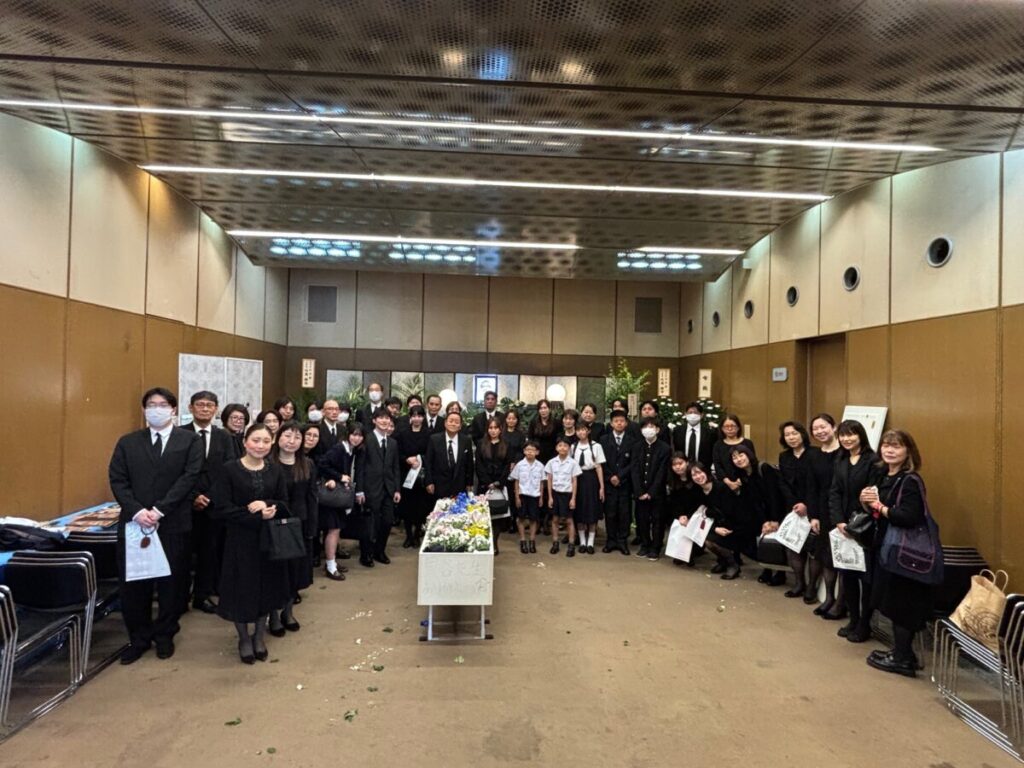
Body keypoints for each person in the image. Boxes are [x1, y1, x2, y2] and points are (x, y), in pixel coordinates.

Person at [108, 387, 203, 664]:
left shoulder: (189, 441)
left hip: (173, 522)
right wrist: (138, 511)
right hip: (135, 524)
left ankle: (165, 635)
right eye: (151, 404)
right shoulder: (128, 442)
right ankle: (138, 638)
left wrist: (160, 510)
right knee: (135, 585)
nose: (157, 409)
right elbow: (118, 480)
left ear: (173, 409)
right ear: (144, 410)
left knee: (172, 583)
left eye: (163, 404)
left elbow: (190, 477)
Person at [211, 423, 291, 665]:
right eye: (256, 440)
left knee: (265, 587)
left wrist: (268, 505)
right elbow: (221, 508)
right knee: (241, 588)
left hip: (268, 540)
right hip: (239, 540)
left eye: (266, 441)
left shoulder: (275, 470)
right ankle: (244, 638)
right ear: (245, 442)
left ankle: (258, 636)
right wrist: (254, 515)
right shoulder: (229, 470)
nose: (260, 446)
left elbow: (284, 503)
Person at [862, 430, 933, 677]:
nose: (890, 450)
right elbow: (879, 512)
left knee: (901, 605)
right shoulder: (885, 476)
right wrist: (867, 503)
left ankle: (902, 659)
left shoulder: (910, 480)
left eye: (897, 446)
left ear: (908, 451)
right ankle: (902, 652)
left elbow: (908, 516)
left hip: (904, 552)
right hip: (886, 548)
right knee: (891, 602)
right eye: (886, 445)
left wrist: (879, 507)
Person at [185, 390, 240, 614]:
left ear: (216, 410)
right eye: (200, 404)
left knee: (209, 553)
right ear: (191, 408)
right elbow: (175, 471)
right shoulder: (180, 434)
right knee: (182, 554)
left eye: (209, 405)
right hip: (184, 504)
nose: (205, 408)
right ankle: (179, 597)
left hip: (213, 505)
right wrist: (193, 496)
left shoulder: (224, 437)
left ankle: (202, 595)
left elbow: (229, 469)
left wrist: (210, 497)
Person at [829, 419, 878, 643]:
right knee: (847, 575)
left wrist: (854, 525)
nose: (846, 439)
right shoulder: (840, 459)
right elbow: (835, 492)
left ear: (861, 435)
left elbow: (872, 495)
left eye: (851, 434)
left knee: (865, 579)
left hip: (865, 527)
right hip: (844, 527)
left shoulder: (873, 461)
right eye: (843, 435)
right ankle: (853, 619)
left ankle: (864, 624)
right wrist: (839, 521)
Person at [268, 422, 316, 636]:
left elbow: (312, 497)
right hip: (274, 524)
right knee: (275, 572)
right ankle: (273, 615)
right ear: (278, 437)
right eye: (287, 436)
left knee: (294, 571)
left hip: (299, 523)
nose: (291, 441)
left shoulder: (307, 464)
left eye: (297, 437)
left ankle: (288, 612)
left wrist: (312, 526)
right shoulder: (268, 463)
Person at [777, 421, 820, 602]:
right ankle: (799, 583)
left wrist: (807, 505)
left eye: (794, 433)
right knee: (792, 546)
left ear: (802, 434)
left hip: (814, 507)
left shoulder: (816, 453)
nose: (791, 437)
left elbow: (817, 484)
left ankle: (811, 587)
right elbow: (783, 483)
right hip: (793, 509)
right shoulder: (784, 456)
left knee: (814, 548)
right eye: (787, 435)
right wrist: (795, 504)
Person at [319, 424, 366, 577]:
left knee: (336, 530)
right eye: (354, 434)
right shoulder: (339, 448)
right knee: (333, 530)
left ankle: (331, 561)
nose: (356, 438)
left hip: (339, 497)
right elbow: (322, 464)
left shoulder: (351, 450)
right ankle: (330, 566)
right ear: (347, 434)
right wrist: (338, 477)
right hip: (332, 496)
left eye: (360, 435)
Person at [809, 413, 844, 619]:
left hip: (841, 510)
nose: (820, 431)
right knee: (826, 556)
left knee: (842, 557)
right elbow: (812, 487)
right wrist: (813, 515)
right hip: (822, 509)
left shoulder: (844, 452)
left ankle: (841, 603)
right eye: (816, 429)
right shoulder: (814, 455)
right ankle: (830, 597)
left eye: (823, 427)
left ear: (834, 427)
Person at [684, 462, 741, 578]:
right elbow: (695, 510)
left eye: (699, 472)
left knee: (710, 539)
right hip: (714, 523)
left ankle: (733, 565)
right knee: (705, 538)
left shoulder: (721, 487)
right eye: (694, 475)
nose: (698, 477)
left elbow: (729, 512)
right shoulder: (697, 491)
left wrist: (707, 513)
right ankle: (723, 561)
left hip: (731, 523)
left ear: (706, 472)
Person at [361, 410, 402, 566]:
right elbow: (360, 467)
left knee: (387, 522)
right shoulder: (367, 439)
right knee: (370, 523)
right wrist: (360, 490)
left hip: (389, 489)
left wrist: (397, 489)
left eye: (387, 418)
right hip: (370, 488)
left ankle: (380, 551)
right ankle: (366, 554)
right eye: (381, 418)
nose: (385, 421)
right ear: (374, 420)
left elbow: (396, 467)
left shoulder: (392, 443)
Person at [631, 417, 671, 560]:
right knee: (642, 519)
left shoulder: (665, 448)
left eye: (651, 426)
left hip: (657, 492)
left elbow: (662, 472)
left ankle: (656, 547)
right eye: (645, 427)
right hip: (640, 491)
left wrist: (651, 492)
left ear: (657, 430)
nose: (648, 429)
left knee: (657, 520)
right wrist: (639, 491)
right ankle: (645, 544)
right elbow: (634, 469)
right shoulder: (636, 446)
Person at [396, 405, 431, 548]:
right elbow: (397, 453)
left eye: (419, 416)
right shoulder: (402, 434)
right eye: (414, 416)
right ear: (410, 417)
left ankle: (417, 535)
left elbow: (431, 454)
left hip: (422, 476)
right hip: (406, 475)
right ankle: (408, 535)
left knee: (421, 507)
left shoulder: (429, 434)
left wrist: (420, 459)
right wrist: (407, 459)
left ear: (423, 417)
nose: (417, 419)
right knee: (407, 507)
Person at [599, 409, 634, 555]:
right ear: (611, 423)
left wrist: (620, 476)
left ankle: (622, 541)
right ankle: (611, 540)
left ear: (626, 423)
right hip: (609, 483)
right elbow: (601, 462)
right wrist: (610, 477)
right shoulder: (603, 440)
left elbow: (633, 462)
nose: (619, 423)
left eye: (622, 421)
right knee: (610, 512)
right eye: (616, 421)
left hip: (625, 483)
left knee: (624, 513)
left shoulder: (632, 440)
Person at [569, 421, 605, 555]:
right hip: (577, 479)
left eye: (583, 429)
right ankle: (582, 541)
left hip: (592, 479)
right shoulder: (573, 447)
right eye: (578, 430)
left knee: (592, 510)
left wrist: (601, 487)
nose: (581, 432)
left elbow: (599, 467)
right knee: (579, 511)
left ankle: (590, 542)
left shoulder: (596, 446)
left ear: (588, 431)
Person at [476, 417, 510, 554]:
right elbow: (479, 465)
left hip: (500, 486)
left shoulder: (506, 444)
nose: (493, 430)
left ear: (500, 429)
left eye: (496, 428)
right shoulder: (481, 444)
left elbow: (507, 466)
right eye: (491, 428)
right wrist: (487, 482)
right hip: (484, 486)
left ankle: (495, 543)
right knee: (483, 516)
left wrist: (498, 482)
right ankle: (484, 542)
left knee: (498, 517)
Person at [545, 436, 582, 557]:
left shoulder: (573, 463)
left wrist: (573, 498)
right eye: (560, 445)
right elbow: (549, 480)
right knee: (555, 519)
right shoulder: (551, 462)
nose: (562, 448)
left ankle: (571, 544)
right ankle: (555, 543)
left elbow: (574, 481)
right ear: (556, 448)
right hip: (555, 493)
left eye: (565, 446)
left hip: (568, 494)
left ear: (569, 448)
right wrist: (550, 497)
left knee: (569, 520)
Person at [424, 411, 475, 498]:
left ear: (460, 426)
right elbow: (428, 462)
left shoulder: (466, 440)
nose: (453, 424)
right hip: (439, 485)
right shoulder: (434, 439)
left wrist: (469, 483)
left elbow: (469, 464)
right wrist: (429, 482)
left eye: (457, 422)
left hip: (460, 485)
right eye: (451, 421)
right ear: (445, 423)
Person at [528, 399, 559, 535]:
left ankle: (547, 521)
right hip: (536, 459)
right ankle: (537, 520)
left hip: (551, 460)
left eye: (545, 407)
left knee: (548, 491)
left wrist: (552, 460)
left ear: (549, 409)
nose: (543, 410)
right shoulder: (533, 422)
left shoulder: (556, 423)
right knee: (537, 490)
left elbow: (558, 441)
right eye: (541, 408)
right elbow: (530, 440)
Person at [511, 441, 545, 554]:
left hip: (535, 495)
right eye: (528, 450)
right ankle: (522, 540)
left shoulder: (540, 466)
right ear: (524, 451)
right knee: (520, 518)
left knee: (533, 519)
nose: (530, 452)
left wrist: (541, 497)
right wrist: (517, 497)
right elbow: (516, 481)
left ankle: (532, 540)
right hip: (522, 495)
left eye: (532, 450)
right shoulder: (519, 465)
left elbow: (541, 483)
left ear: (537, 452)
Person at [711, 413, 757, 482]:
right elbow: (718, 466)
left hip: (747, 481)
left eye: (732, 426)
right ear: (722, 428)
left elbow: (753, 463)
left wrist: (742, 480)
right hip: (725, 483)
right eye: (726, 426)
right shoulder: (718, 445)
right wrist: (728, 482)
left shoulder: (748, 443)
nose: (729, 429)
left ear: (738, 427)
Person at [672, 401, 716, 467]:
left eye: (695, 413)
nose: (692, 415)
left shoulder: (710, 433)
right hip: (681, 469)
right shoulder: (677, 431)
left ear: (701, 415)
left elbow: (712, 453)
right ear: (685, 414)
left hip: (703, 469)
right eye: (690, 413)